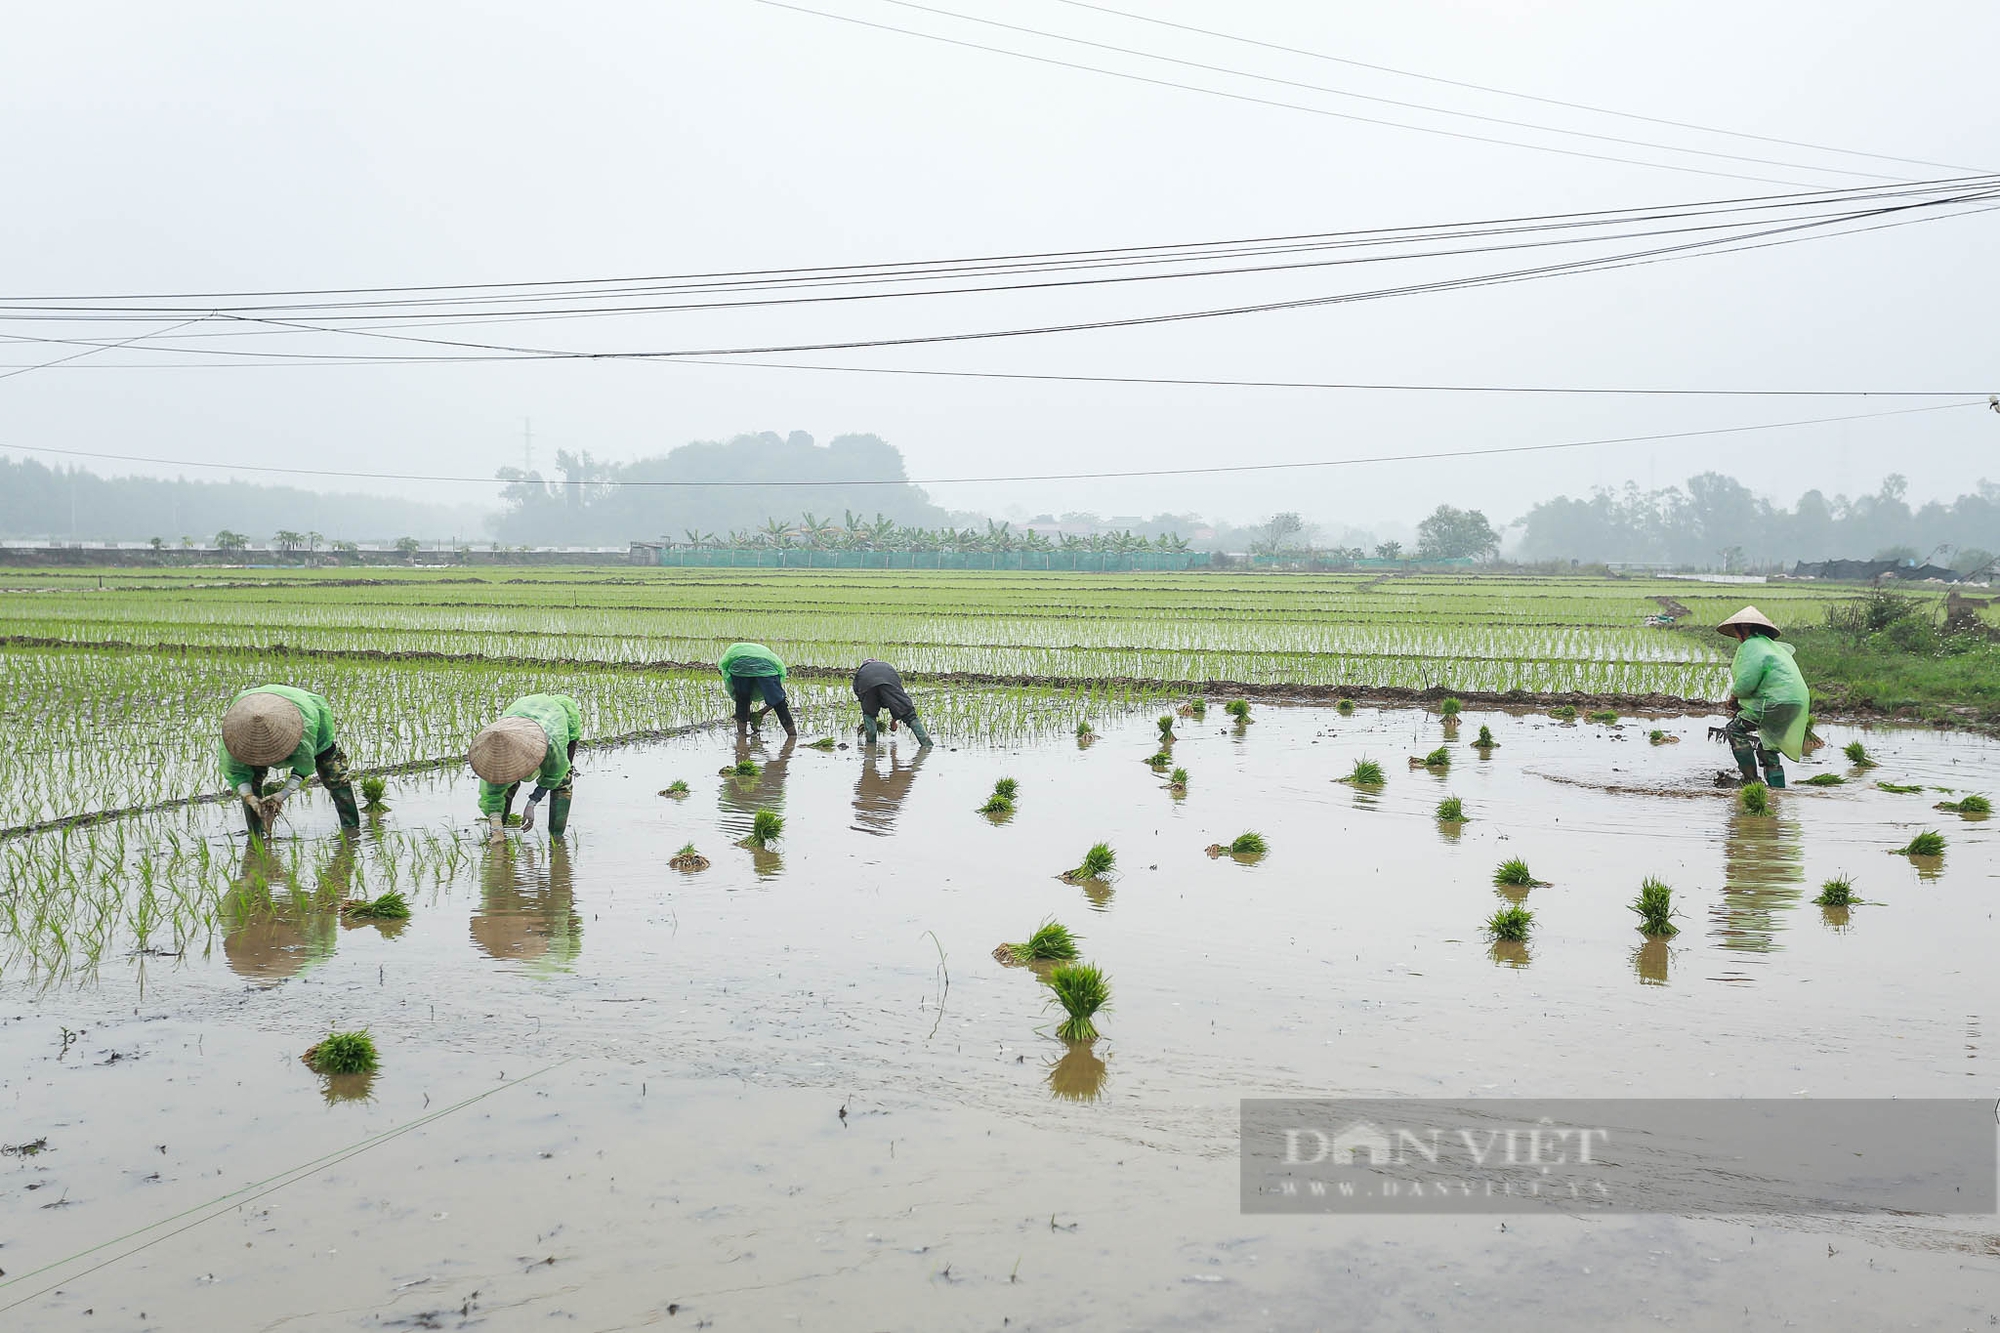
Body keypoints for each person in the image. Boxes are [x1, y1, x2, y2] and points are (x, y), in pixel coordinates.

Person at [219, 685, 359, 836]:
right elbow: (237, 773)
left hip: (304, 711)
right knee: (252, 780)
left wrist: (282, 795)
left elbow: (303, 767)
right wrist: (250, 797)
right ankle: (257, 833)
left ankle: (351, 829)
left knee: (333, 771)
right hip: (248, 706)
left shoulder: (304, 729)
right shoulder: (233, 736)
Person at [1717, 605, 1810, 789]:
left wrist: (1734, 697)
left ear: (1744, 628)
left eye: (1737, 631)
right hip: (1796, 703)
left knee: (1734, 730)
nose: (1737, 636)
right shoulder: (1775, 648)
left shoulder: (1751, 645)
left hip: (1773, 702)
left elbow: (1747, 682)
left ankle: (1750, 781)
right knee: (1769, 747)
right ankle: (1778, 792)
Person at [469, 693, 582, 837]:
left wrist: (533, 801)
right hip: (517, 718)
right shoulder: (494, 754)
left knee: (562, 782)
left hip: (550, 717)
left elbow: (555, 773)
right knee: (505, 785)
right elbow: (491, 795)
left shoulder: (552, 743)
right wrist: (496, 824)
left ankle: (556, 837)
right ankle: (499, 832)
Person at [718, 642, 796, 736]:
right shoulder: (766, 653)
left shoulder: (733, 650)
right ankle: (792, 736)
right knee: (779, 703)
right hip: (765, 665)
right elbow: (778, 697)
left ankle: (741, 736)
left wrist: (759, 713)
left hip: (739, 664)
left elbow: (724, 667)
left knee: (742, 699)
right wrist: (761, 713)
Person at [852, 658, 932, 746]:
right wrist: (895, 720)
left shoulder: (862, 671)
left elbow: (858, 691)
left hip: (866, 684)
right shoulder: (887, 667)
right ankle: (927, 745)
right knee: (909, 714)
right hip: (889, 682)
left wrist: (868, 708)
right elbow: (896, 700)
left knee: (869, 715)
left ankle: (870, 748)